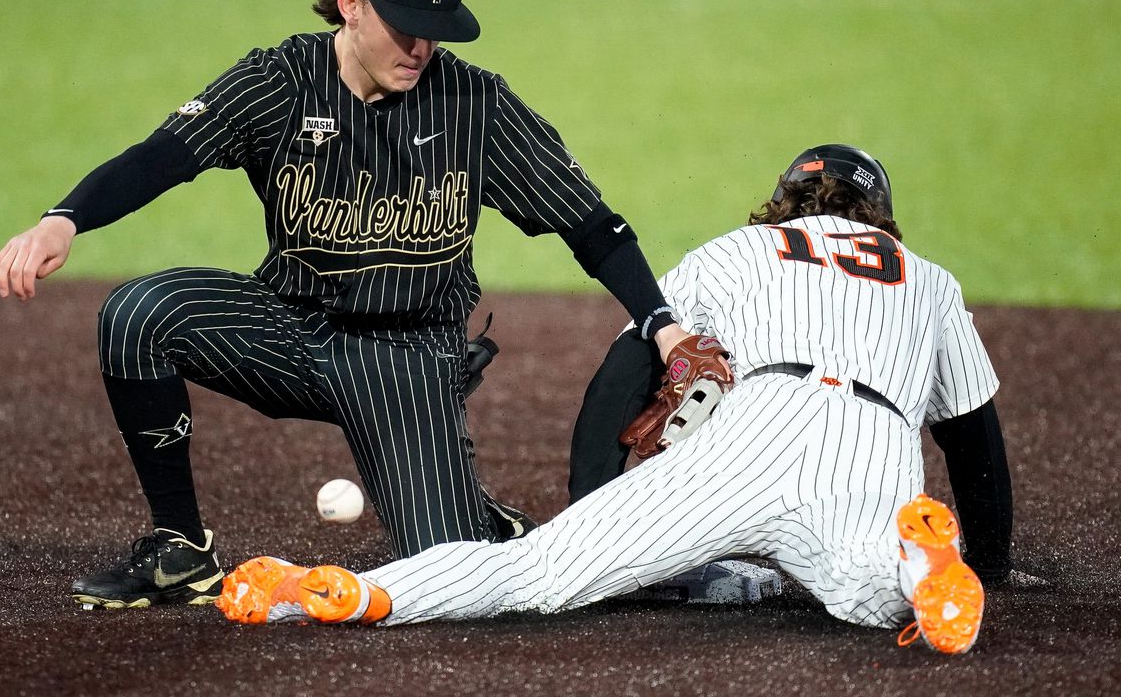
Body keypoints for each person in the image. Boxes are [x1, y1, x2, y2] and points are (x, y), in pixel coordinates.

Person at [0, 0, 691, 610]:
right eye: (405, 23)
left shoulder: (475, 104)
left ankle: (474, 519)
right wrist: (66, 216)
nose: (421, 46)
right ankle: (179, 549)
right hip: (286, 330)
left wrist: (660, 323)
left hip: (406, 355)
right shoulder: (278, 81)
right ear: (351, 6)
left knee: (449, 578)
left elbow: (591, 224)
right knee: (139, 314)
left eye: (436, 27)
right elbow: (165, 156)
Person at [213, 144, 1013, 655]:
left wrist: (599, 502)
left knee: (538, 571)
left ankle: (357, 593)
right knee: (866, 593)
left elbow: (624, 375)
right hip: (870, 443)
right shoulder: (931, 281)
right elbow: (974, 436)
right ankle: (921, 562)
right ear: (878, 214)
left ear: (786, 202)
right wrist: (997, 559)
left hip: (755, 431)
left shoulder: (742, 248)